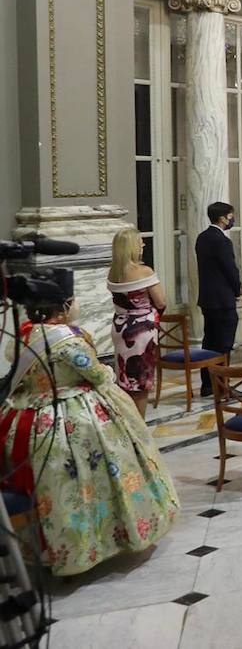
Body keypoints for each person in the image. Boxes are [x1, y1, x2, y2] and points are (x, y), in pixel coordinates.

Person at [0, 296, 179, 576]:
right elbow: (95, 374)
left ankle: (47, 548)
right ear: (62, 307)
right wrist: (107, 376)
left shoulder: (24, 336)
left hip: (30, 417)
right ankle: (93, 543)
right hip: (71, 419)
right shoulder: (69, 339)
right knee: (90, 480)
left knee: (53, 488)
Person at [107, 227, 166, 417]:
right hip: (141, 332)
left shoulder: (112, 273)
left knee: (125, 379)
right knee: (141, 382)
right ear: (132, 247)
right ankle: (139, 427)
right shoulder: (144, 271)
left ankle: (128, 424)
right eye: (140, 241)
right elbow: (161, 301)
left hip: (120, 327)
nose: (143, 244)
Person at [195, 201, 241, 396]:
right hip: (223, 300)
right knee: (223, 345)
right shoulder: (222, 241)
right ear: (223, 218)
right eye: (231, 216)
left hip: (207, 299)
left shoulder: (202, 238)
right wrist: (237, 289)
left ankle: (207, 384)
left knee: (209, 342)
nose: (232, 219)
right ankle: (222, 384)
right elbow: (230, 269)